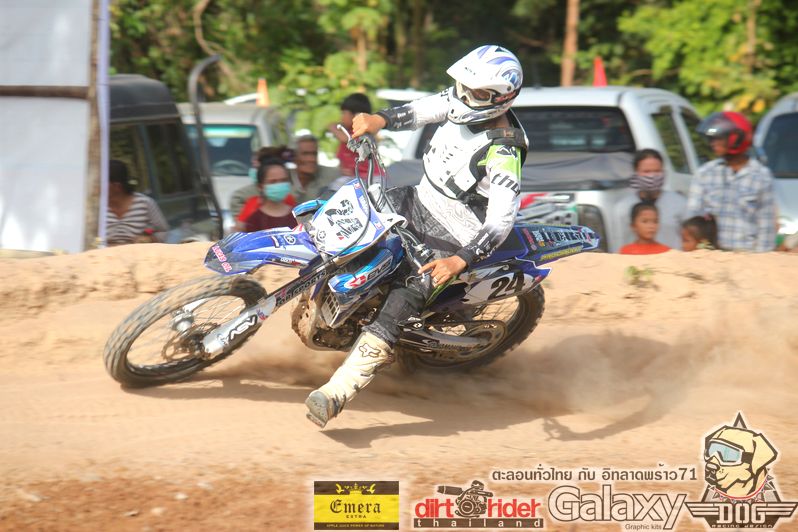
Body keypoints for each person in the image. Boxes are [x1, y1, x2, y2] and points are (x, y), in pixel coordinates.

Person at [306, 45, 527, 428]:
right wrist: (378, 119)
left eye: (473, 91)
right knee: (346, 212)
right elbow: (423, 109)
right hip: (417, 198)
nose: (462, 95)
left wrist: (459, 260)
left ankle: (340, 389)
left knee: (406, 293)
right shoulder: (462, 99)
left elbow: (501, 221)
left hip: (455, 233)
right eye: (461, 85)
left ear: (499, 98)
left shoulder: (504, 150)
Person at [687, 111, 776, 252]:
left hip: (747, 255)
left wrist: (760, 260)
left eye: (719, 138)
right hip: (712, 256)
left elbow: (766, 228)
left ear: (737, 138)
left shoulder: (761, 177)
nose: (713, 143)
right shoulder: (704, 173)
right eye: (711, 139)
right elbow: (693, 217)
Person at [614, 149, 686, 251]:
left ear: (663, 172)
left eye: (657, 171)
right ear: (636, 173)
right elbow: (618, 242)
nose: (652, 176)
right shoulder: (623, 208)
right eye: (646, 172)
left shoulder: (680, 203)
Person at [106, 159, 169, 246]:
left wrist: (149, 238)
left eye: (100, 182)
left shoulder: (145, 203)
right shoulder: (96, 208)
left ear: (117, 186)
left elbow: (163, 231)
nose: (96, 186)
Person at [235, 158, 297, 232]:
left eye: (284, 180)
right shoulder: (254, 220)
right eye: (273, 182)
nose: (279, 185)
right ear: (260, 186)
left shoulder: (298, 214)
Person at [328, 93, 373, 187]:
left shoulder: (363, 132)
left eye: (344, 113)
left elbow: (347, 139)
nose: (341, 117)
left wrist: (334, 129)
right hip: (352, 177)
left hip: (369, 178)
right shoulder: (347, 132)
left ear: (356, 116)